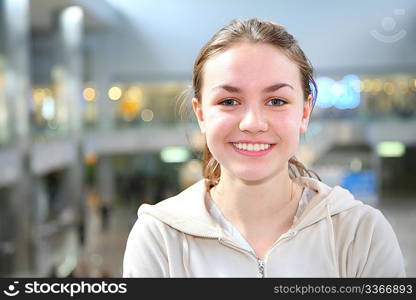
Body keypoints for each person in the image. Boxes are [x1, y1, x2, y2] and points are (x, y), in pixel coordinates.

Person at [123, 18, 406, 277]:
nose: (253, 123)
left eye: (276, 101)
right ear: (201, 115)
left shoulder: (360, 234)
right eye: (229, 102)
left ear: (305, 113)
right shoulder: (159, 238)